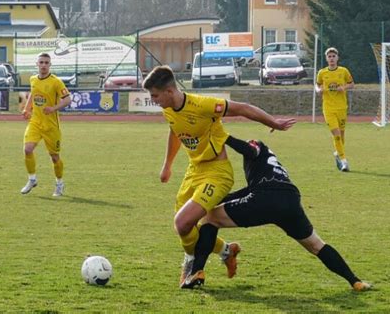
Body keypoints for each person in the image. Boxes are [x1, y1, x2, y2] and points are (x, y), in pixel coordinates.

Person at [142, 65, 296, 286]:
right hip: (194, 171)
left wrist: (274, 123)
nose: (153, 100)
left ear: (169, 91)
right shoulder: (168, 109)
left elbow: (242, 108)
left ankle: (190, 263)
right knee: (184, 227)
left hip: (217, 173)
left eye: (155, 95)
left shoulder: (202, 105)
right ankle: (226, 251)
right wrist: (167, 165)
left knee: (184, 222)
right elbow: (175, 130)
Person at [181, 136, 372, 292]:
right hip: (289, 201)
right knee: (316, 245)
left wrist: (225, 138)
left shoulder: (258, 146)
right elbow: (250, 190)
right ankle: (355, 281)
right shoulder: (272, 165)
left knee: (210, 218)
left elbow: (251, 150)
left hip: (265, 198)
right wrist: (217, 198)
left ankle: (197, 271)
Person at [21, 52, 71, 196]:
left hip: (51, 126)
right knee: (27, 149)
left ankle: (59, 184)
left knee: (54, 157)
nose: (43, 65)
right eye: (41, 62)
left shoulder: (56, 82)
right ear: (37, 64)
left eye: (46, 63)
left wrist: (53, 108)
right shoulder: (33, 79)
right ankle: (32, 179)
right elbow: (32, 93)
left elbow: (67, 100)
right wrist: (26, 108)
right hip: (35, 122)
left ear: (50, 65)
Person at [316, 47, 354, 172]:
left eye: (333, 56)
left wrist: (344, 87)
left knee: (341, 136)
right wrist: (319, 90)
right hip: (328, 108)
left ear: (337, 58)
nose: (331, 58)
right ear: (326, 59)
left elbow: (352, 84)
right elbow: (317, 85)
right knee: (336, 134)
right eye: (329, 56)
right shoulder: (322, 72)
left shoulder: (343, 71)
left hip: (342, 107)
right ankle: (344, 161)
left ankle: (338, 153)